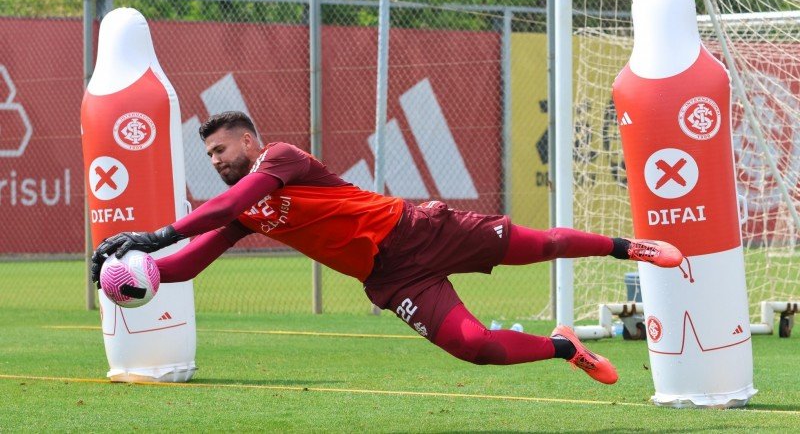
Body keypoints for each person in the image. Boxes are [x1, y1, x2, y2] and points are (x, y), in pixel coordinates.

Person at [91, 111, 684, 385]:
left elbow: (214, 211)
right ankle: (563, 349)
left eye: (221, 151)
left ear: (248, 140)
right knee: (474, 349)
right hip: (392, 280)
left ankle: (631, 246)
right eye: (211, 157)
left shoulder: (280, 159)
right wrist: (132, 271)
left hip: (417, 228)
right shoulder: (244, 208)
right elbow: (193, 258)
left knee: (544, 244)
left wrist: (156, 234)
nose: (216, 162)